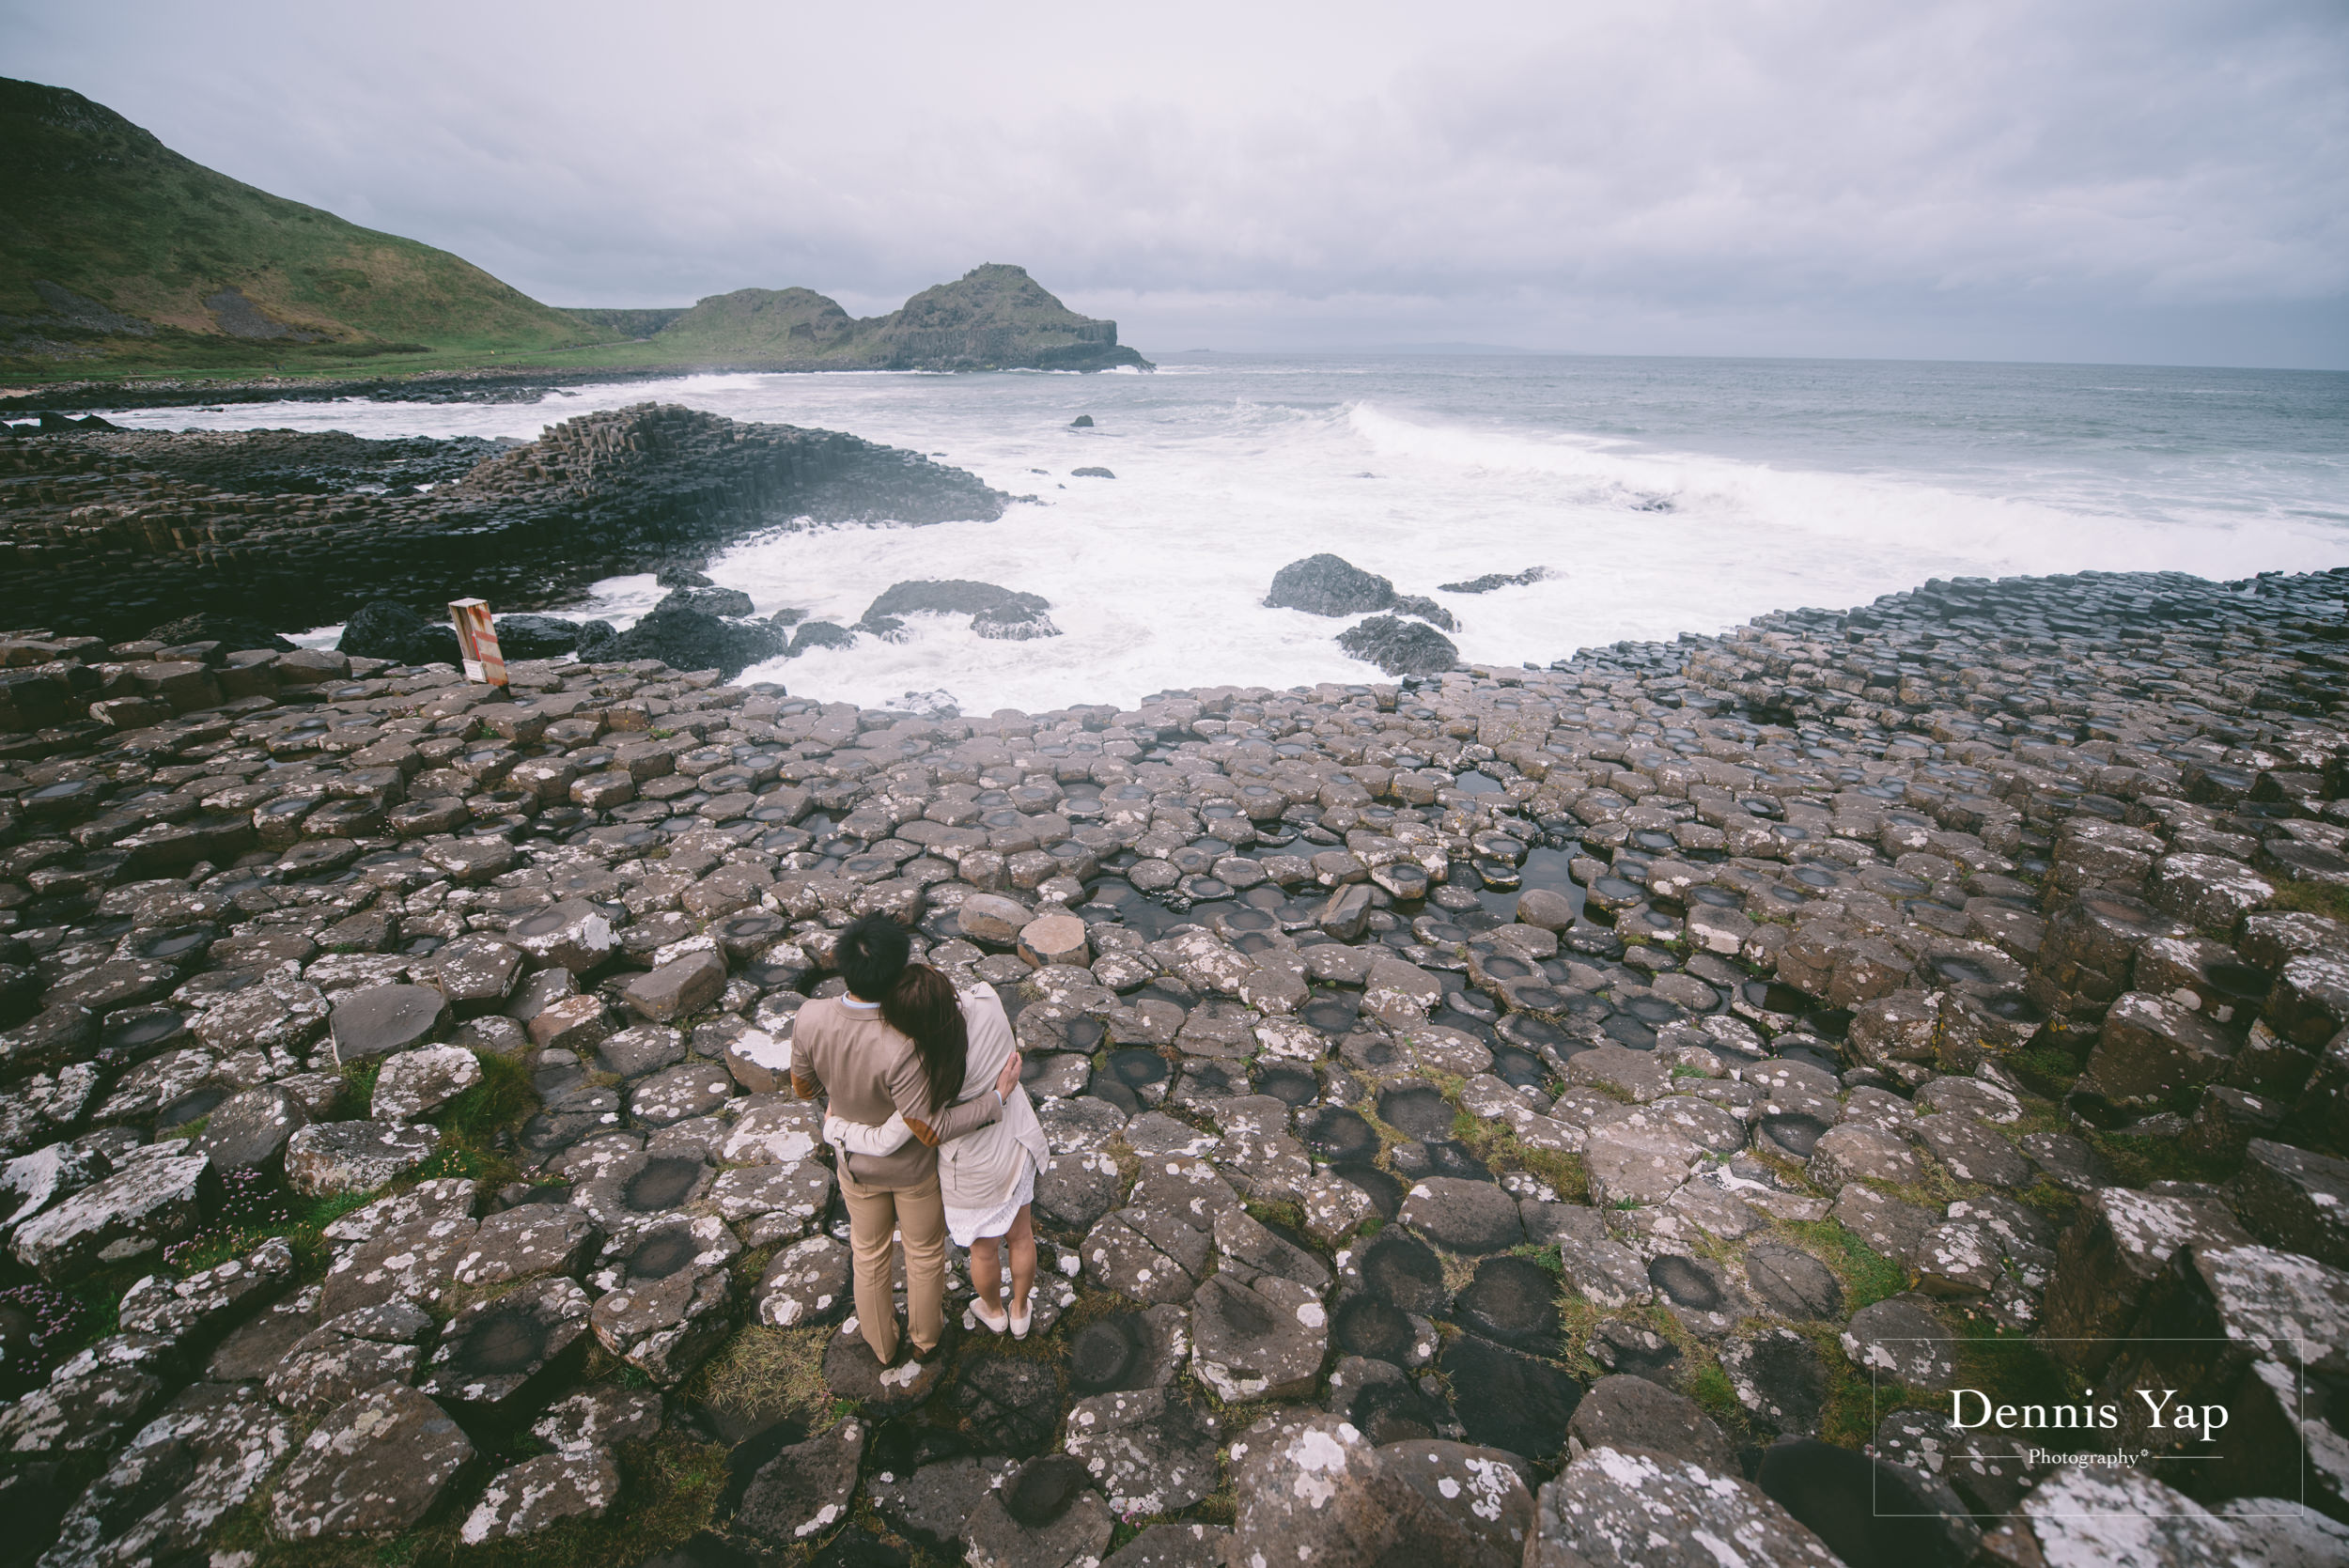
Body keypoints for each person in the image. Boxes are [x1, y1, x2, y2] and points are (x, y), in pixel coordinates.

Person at [790, 915, 1020, 1366]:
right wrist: (995, 1099)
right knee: (923, 1254)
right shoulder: (905, 1038)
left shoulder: (810, 1016)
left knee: (868, 1256)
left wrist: (838, 1103)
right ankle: (925, 1340)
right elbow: (928, 1128)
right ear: (898, 969)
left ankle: (881, 1346)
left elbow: (803, 1088)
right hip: (912, 1172)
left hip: (854, 1164)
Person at [823, 965, 1049, 1336]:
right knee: (1022, 1236)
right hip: (1016, 1141)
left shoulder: (926, 1069)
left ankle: (993, 1311)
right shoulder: (988, 1000)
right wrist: (998, 1094)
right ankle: (1021, 1310)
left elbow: (895, 1136)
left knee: (984, 1251)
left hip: (973, 1167)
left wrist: (836, 1129)